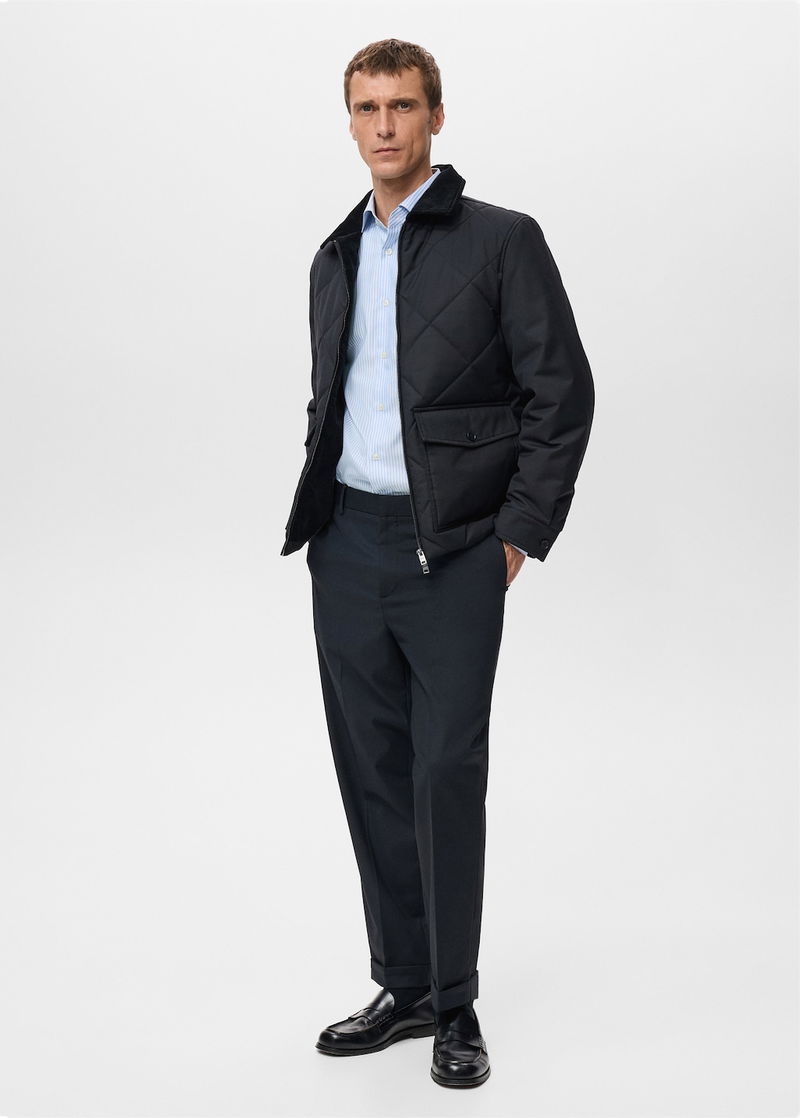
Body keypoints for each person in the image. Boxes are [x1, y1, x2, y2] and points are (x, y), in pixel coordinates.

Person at [280, 37, 595, 1089]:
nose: (384, 125)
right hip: (346, 546)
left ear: (435, 117)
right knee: (372, 771)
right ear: (349, 121)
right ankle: (404, 983)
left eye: (403, 106)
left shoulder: (501, 240)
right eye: (367, 107)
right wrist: (322, 518)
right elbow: (334, 397)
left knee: (444, 772)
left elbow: (562, 392)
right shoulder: (334, 254)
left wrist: (517, 532)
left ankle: (455, 1003)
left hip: (453, 550)